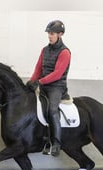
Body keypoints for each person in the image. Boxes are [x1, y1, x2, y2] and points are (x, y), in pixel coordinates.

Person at [26, 20, 71, 157]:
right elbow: (38, 68)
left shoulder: (65, 52)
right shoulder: (44, 50)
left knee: (52, 110)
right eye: (49, 34)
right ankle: (44, 141)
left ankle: (56, 144)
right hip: (43, 84)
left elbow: (57, 74)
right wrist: (31, 81)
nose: (49, 36)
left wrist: (39, 82)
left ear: (60, 34)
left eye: (52, 34)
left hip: (56, 87)